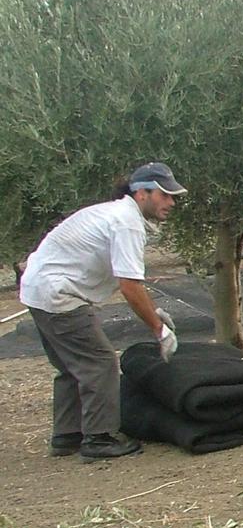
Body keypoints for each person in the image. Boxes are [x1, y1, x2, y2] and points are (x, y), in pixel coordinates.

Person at [20, 162, 186, 461]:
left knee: (72, 367)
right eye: (165, 194)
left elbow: (125, 280)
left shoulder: (114, 214)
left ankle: (67, 436)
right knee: (99, 363)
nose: (171, 202)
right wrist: (159, 330)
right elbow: (129, 285)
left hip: (39, 289)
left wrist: (153, 311)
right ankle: (99, 438)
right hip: (59, 295)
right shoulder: (127, 223)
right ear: (142, 193)